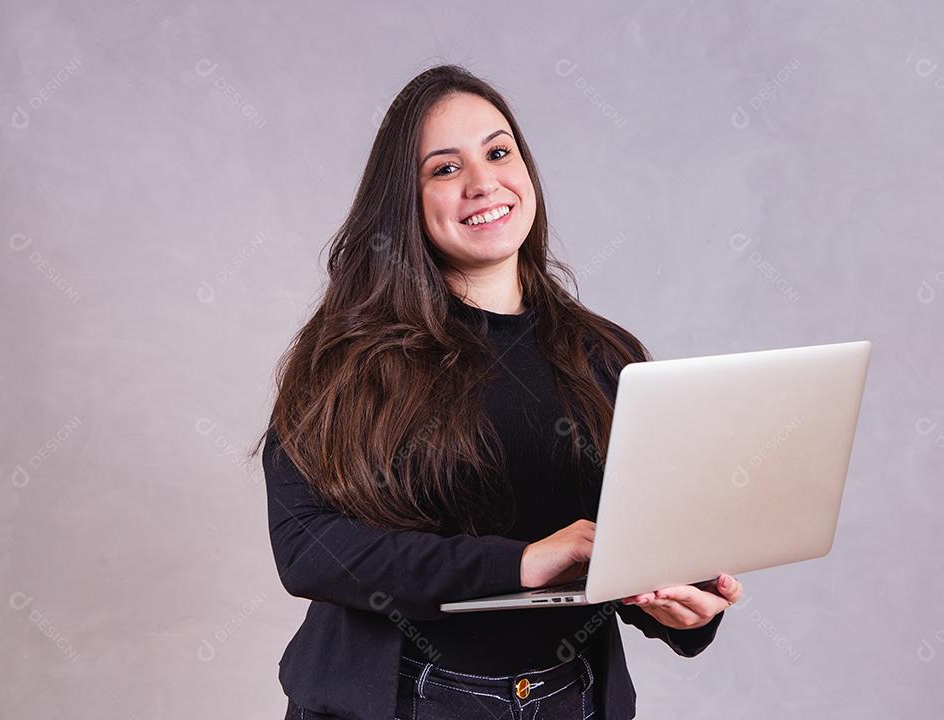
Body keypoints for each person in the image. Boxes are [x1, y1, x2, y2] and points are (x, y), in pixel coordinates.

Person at [256, 64, 743, 720]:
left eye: (497, 151)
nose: (485, 182)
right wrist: (523, 563)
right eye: (445, 168)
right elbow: (307, 549)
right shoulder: (344, 359)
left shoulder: (607, 358)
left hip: (569, 699)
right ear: (406, 200)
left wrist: (683, 610)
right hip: (393, 701)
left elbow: (633, 548)